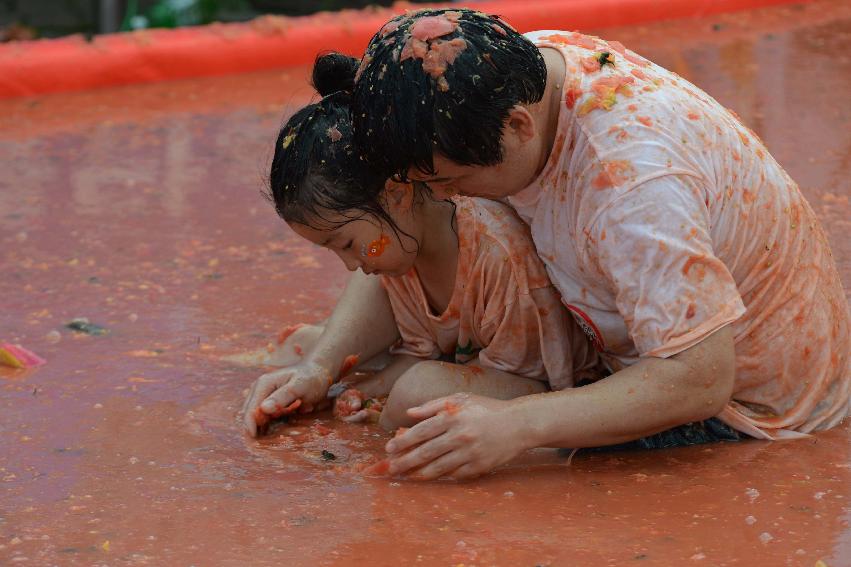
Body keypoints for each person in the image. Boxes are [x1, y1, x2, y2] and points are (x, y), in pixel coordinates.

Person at [247, 8, 849, 480]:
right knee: (350, 365)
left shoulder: (632, 189)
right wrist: (321, 364)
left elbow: (699, 378)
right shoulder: (512, 69)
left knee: (440, 423)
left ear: (518, 128)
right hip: (651, 344)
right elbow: (403, 222)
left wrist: (518, 424)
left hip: (749, 410)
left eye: (452, 184)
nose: (442, 197)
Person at [240, 53, 599, 437]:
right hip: (485, 367)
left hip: (550, 386)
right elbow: (416, 351)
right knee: (299, 346)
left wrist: (386, 400)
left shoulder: (497, 254)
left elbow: (533, 382)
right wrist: (349, 391)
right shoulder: (399, 249)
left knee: (418, 389)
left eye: (346, 243)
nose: (349, 265)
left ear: (396, 194)